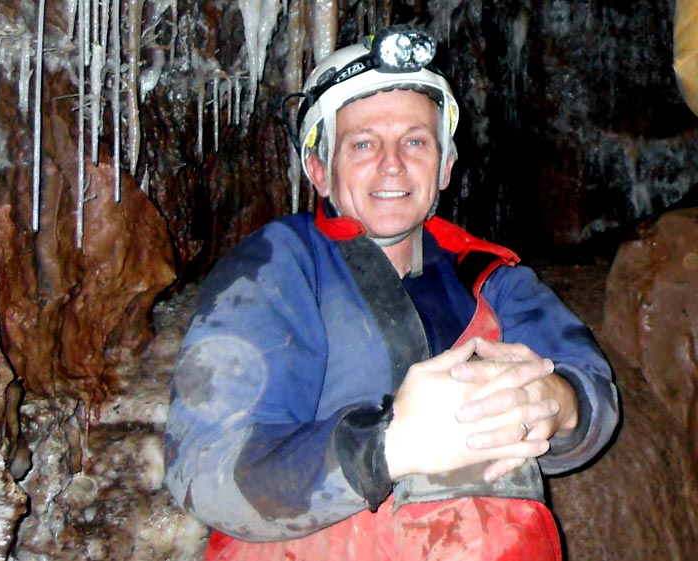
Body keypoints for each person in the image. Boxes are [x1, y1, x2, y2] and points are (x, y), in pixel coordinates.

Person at [164, 26, 619, 561]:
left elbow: (592, 389)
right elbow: (206, 467)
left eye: (415, 141)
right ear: (319, 170)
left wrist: (561, 405)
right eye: (363, 143)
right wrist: (383, 448)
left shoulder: (495, 278)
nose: (392, 163)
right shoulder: (277, 268)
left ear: (445, 166)